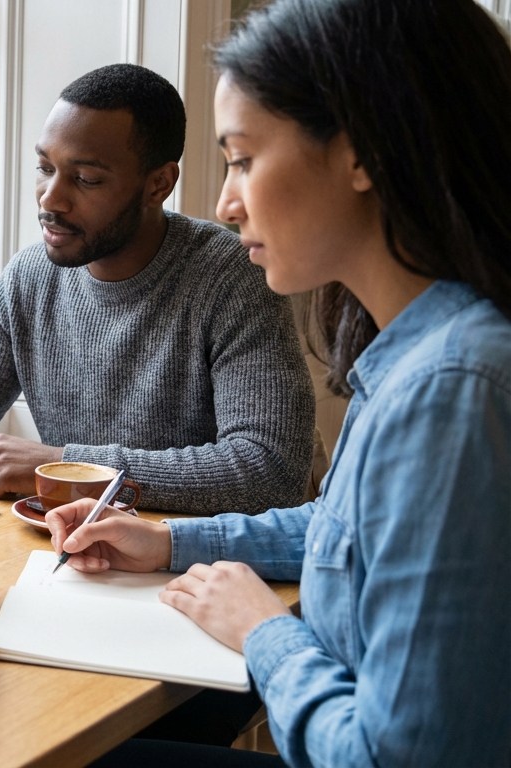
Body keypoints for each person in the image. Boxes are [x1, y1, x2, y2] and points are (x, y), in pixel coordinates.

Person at [54, 2, 511, 765]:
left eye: (242, 159)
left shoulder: (452, 389)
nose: (227, 202)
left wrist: (263, 631)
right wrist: (168, 541)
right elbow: (346, 532)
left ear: (362, 153)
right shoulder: (417, 351)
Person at [0, 64, 314, 515]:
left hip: (198, 565)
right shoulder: (30, 278)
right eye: (45, 168)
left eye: (85, 179)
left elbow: (268, 469)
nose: (51, 198)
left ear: (159, 184)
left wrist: (73, 468)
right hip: (76, 551)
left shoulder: (232, 278)